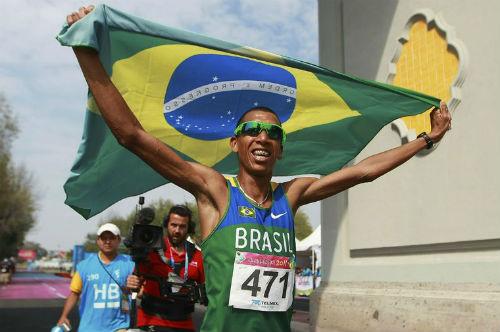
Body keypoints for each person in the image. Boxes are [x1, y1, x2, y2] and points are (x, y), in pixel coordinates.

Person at [66, 6, 452, 332]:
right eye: (251, 130)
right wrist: (87, 53)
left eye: (272, 132)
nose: (262, 137)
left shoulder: (291, 196)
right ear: (235, 144)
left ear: (281, 149)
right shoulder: (214, 190)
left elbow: (362, 172)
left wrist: (426, 139)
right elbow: (132, 135)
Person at [127, 205, 205, 331]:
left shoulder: (198, 255)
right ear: (166, 224)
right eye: (173, 225)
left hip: (184, 323)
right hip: (152, 321)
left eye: (182, 226)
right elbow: (134, 282)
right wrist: (132, 282)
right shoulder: (151, 249)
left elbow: (208, 291)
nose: (177, 230)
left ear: (189, 228)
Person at [56, 223, 135, 332]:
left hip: (119, 326)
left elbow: (139, 292)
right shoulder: (84, 266)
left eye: (112, 238)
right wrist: (63, 316)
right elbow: (74, 293)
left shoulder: (130, 264)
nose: (107, 241)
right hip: (89, 327)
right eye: (104, 238)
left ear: (119, 240)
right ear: (98, 241)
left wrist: (135, 288)